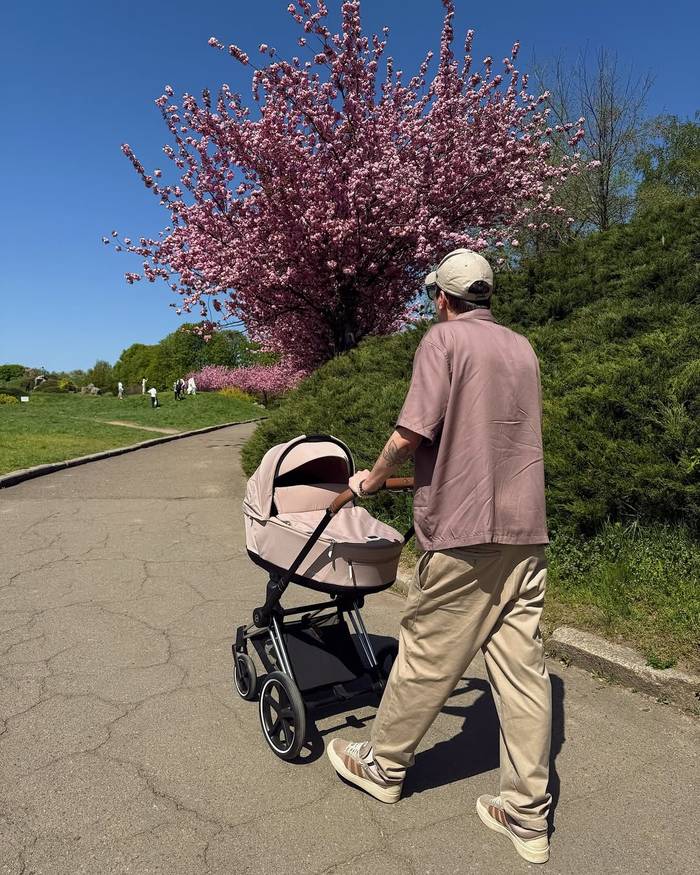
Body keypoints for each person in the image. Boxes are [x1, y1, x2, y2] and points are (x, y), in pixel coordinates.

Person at [326, 249, 552, 865]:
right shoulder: (522, 348)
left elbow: (412, 431)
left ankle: (382, 766)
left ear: (444, 298)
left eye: (434, 296)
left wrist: (373, 477)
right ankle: (527, 814)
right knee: (524, 674)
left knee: (426, 655)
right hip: (525, 530)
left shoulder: (443, 340)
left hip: (464, 529)